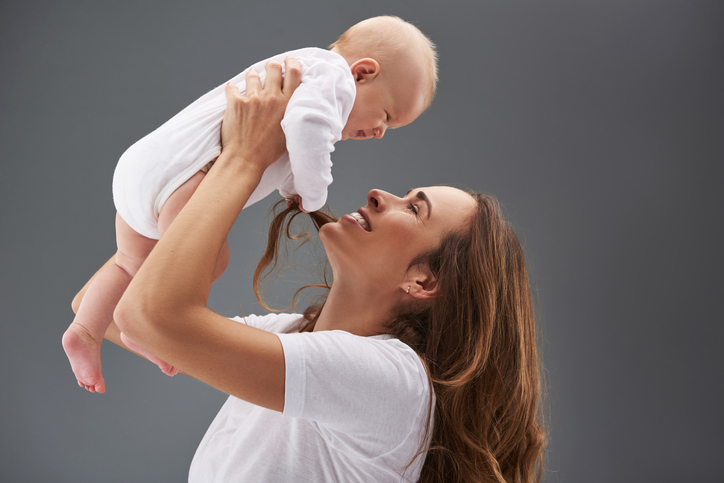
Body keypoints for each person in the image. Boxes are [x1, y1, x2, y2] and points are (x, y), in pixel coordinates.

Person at [71, 60, 546, 482]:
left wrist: (242, 159)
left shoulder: (393, 382)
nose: (382, 194)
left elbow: (150, 317)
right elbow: (107, 311)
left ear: (423, 281)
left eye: (415, 210)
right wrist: (189, 176)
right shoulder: (293, 335)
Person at [63, 15, 438, 393]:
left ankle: (84, 332)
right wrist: (313, 192)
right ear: (363, 73)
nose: (378, 133)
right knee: (208, 262)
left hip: (145, 168)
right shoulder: (334, 79)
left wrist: (290, 184)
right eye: (387, 117)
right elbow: (308, 129)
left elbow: (288, 146)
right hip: (186, 177)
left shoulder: (306, 71)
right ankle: (150, 331)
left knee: (130, 263)